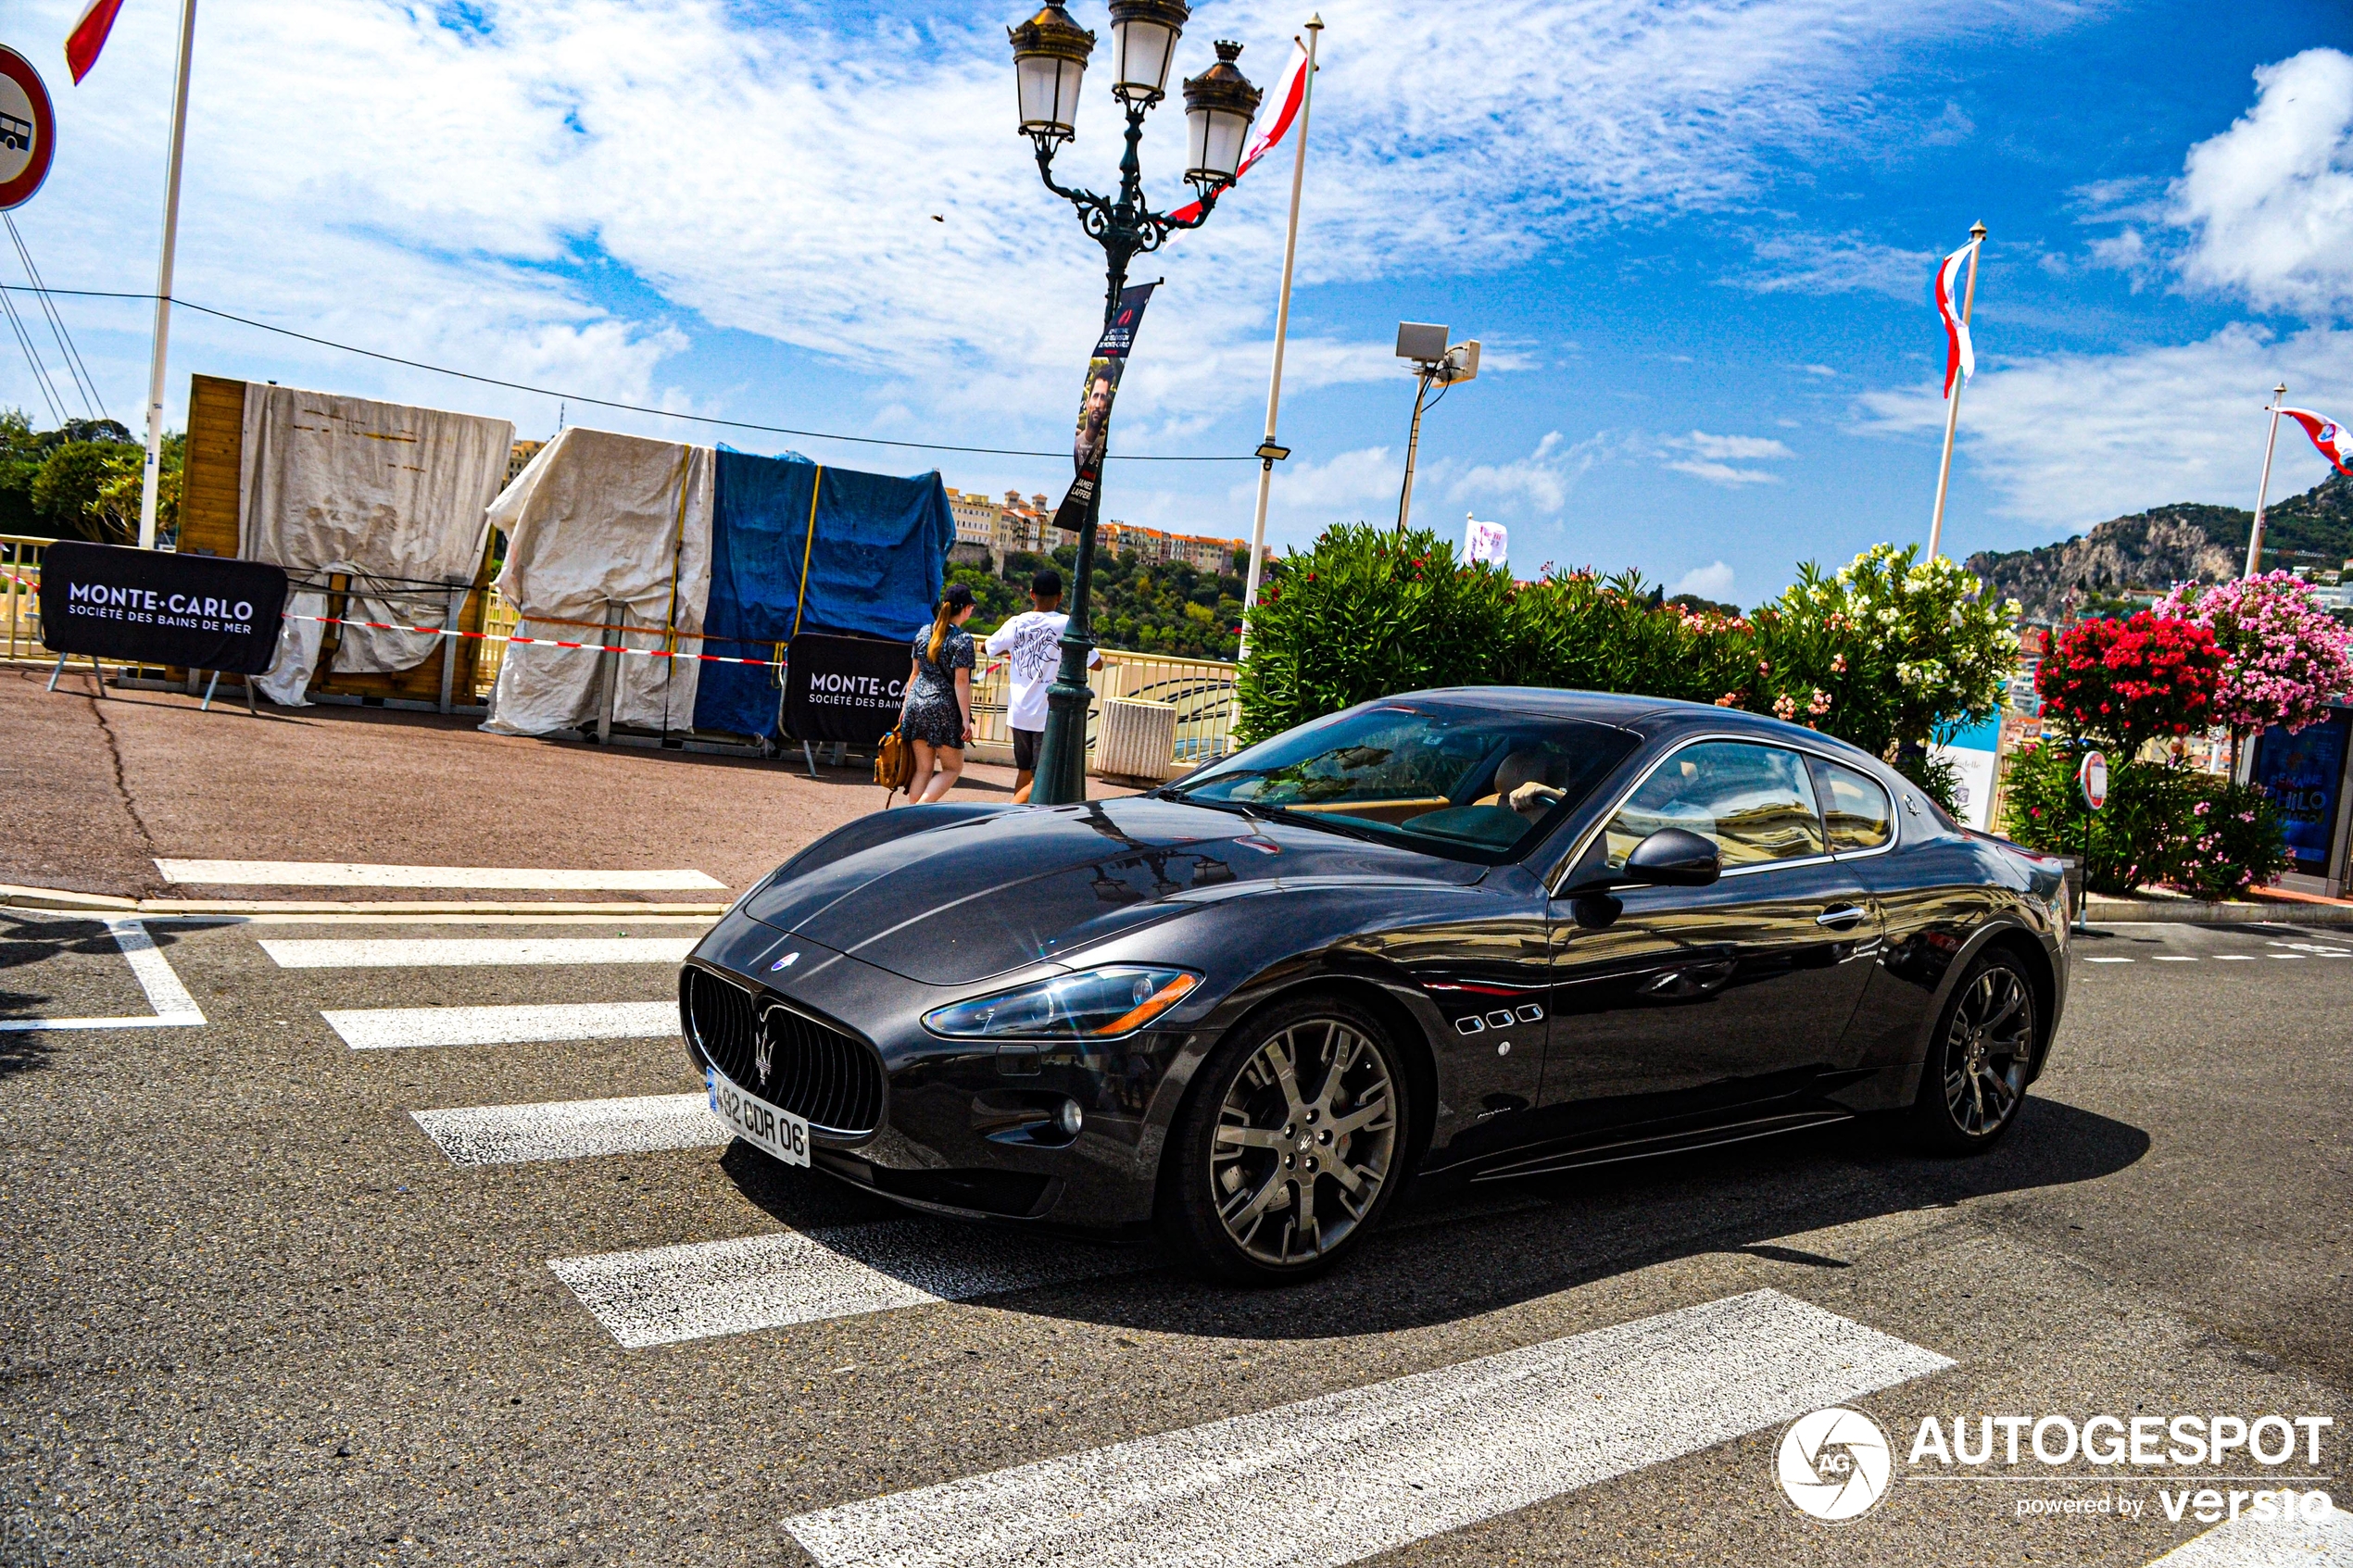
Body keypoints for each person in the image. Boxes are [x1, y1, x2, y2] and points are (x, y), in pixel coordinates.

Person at [985, 569, 1099, 803]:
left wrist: (1016, 650)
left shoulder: (1016, 623)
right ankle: (1010, 814)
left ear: (1031, 594)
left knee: (1024, 771)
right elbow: (1096, 663)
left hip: (1018, 712)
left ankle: (1017, 818)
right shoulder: (1066, 624)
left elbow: (988, 648)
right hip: (1046, 713)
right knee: (1041, 777)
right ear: (1060, 597)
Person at [899, 583, 976, 804]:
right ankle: (921, 809)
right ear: (965, 609)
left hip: (917, 704)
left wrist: (905, 707)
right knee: (952, 768)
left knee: (923, 769)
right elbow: (961, 682)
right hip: (943, 708)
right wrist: (965, 720)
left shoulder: (924, 633)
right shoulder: (962, 640)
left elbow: (914, 674)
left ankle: (910, 817)